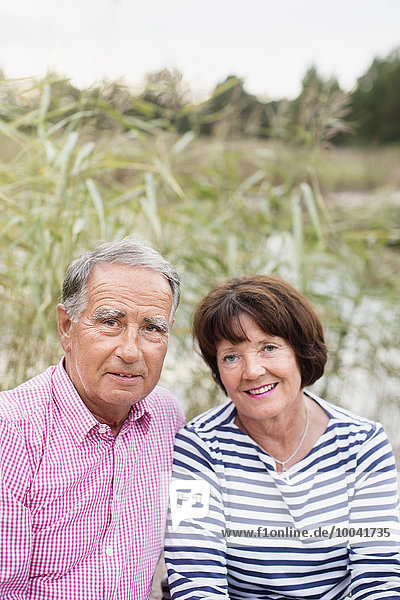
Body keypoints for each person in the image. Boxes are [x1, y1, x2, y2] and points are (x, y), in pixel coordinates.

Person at [165, 274, 400, 600]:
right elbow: (196, 582)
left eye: (269, 347)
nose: (252, 371)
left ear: (301, 352)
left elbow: (379, 579)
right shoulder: (200, 447)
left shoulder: (362, 444)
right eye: (231, 356)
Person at [0, 237, 185, 600]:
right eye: (111, 322)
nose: (131, 351)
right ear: (67, 328)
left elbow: (189, 540)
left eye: (152, 328)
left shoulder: (168, 417)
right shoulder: (11, 431)